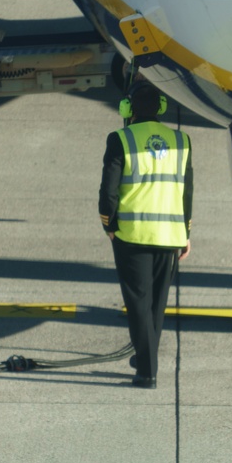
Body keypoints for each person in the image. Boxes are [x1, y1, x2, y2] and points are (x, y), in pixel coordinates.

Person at [99, 81, 193, 389]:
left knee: (138, 301)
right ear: (161, 108)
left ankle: (147, 372)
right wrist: (186, 232)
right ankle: (144, 356)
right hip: (170, 233)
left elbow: (109, 190)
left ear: (127, 110)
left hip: (132, 234)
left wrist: (108, 225)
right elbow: (186, 192)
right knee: (156, 302)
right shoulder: (181, 140)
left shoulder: (121, 139)